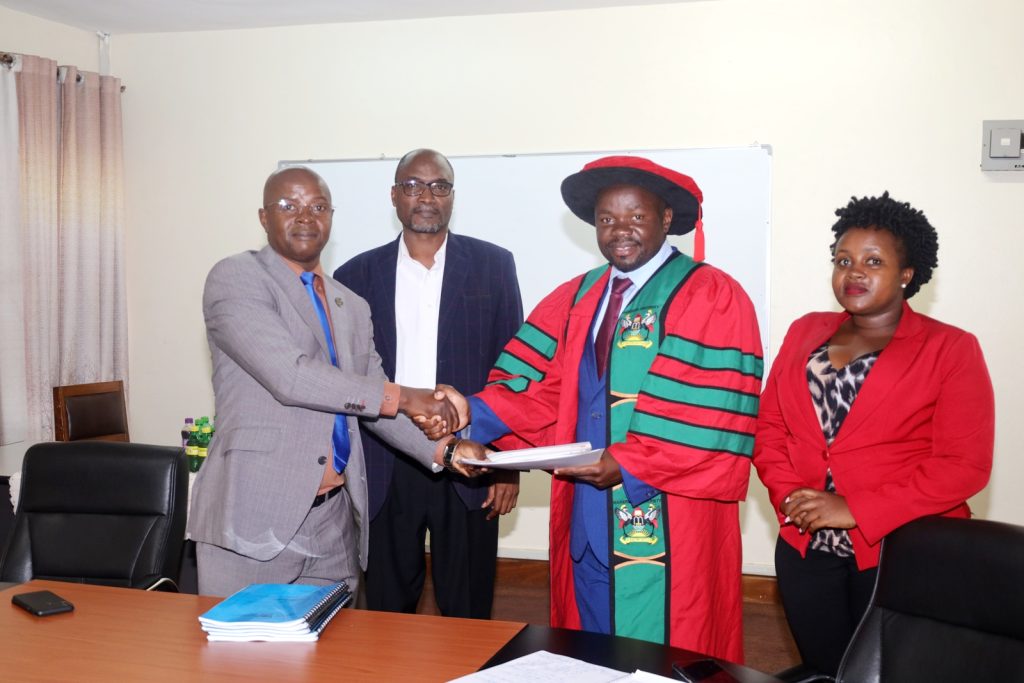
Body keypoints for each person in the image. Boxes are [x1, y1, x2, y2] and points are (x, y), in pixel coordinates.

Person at [440, 156, 764, 662]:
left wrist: (630, 462)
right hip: (586, 512)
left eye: (636, 216)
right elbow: (542, 388)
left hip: (665, 512)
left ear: (665, 219)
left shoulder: (710, 293)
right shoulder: (579, 295)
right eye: (607, 219)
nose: (620, 231)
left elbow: (711, 411)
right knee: (590, 648)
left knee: (664, 651)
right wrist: (469, 414)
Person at [187, 166, 487, 597]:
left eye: (318, 207)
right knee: (244, 659)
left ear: (331, 216)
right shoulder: (237, 278)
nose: (305, 217)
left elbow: (372, 404)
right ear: (263, 217)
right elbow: (290, 376)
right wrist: (407, 397)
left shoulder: (351, 304)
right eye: (288, 206)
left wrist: (449, 449)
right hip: (253, 519)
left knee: (326, 660)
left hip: (332, 523)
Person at [753, 192, 994, 676]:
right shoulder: (806, 331)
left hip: (901, 550)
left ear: (907, 275)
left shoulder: (951, 348)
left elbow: (963, 466)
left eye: (873, 261)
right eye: (844, 260)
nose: (854, 272)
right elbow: (770, 427)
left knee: (893, 671)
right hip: (805, 545)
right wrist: (791, 496)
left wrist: (855, 510)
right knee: (826, 667)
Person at [333, 149, 524, 618]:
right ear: (395, 196)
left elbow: (512, 372)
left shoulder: (493, 266)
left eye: (439, 186)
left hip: (471, 461)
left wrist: (507, 464)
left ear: (452, 197)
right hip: (385, 461)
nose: (427, 197)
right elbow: (345, 381)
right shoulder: (354, 275)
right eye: (414, 186)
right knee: (385, 610)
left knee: (468, 608)